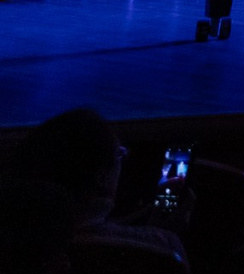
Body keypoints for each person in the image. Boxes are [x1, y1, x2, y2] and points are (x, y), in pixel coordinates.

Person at [4, 108, 185, 264]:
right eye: (119, 155)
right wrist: (158, 234)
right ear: (102, 176)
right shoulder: (164, 249)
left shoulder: (13, 248)